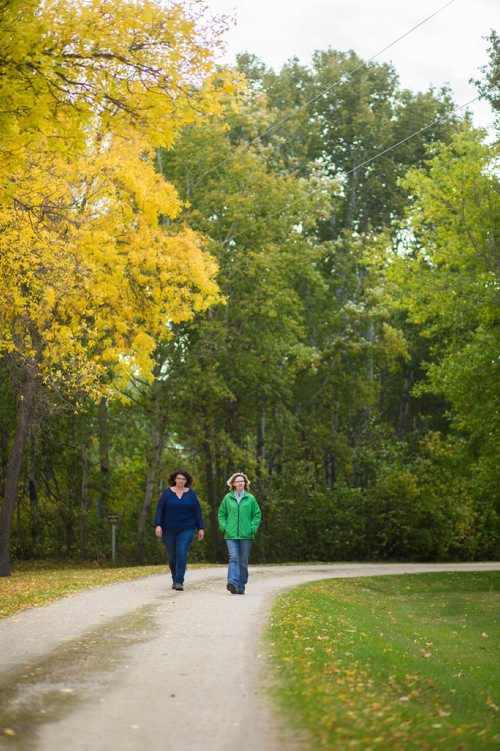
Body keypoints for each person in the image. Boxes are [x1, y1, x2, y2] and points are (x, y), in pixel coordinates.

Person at [154, 469, 204, 591]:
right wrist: (158, 525)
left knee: (181, 552)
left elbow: (197, 512)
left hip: (187, 528)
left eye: (183, 479)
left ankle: (179, 581)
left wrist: (200, 528)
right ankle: (174, 578)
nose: (181, 481)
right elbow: (160, 510)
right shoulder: (167, 493)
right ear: (174, 479)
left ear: (186, 481)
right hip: (168, 529)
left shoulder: (191, 494)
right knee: (172, 556)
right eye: (179, 478)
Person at [218, 472, 261, 595]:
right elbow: (221, 513)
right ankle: (232, 582)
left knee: (243, 561)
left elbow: (256, 514)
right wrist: (224, 526)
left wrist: (252, 528)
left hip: (246, 535)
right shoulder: (227, 498)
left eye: (242, 481)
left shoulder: (250, 498)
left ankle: (241, 585)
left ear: (245, 483)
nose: (240, 483)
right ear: (233, 484)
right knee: (233, 557)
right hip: (230, 534)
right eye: (237, 481)